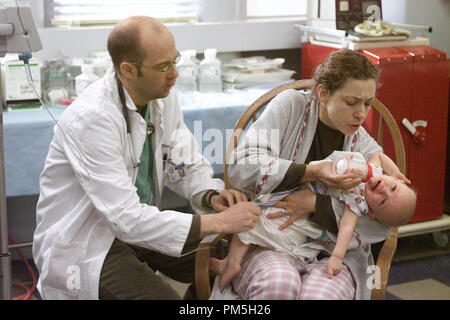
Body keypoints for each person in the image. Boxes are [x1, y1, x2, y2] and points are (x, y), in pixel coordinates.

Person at [32, 16, 262, 300]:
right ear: (128, 69)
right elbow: (124, 218)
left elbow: (183, 159)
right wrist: (221, 222)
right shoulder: (92, 119)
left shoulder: (161, 95)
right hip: (91, 241)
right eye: (163, 66)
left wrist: (210, 195)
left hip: (139, 229)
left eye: (175, 61)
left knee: (227, 258)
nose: (174, 74)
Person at [220, 49, 406, 300]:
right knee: (278, 287)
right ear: (323, 93)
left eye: (368, 103)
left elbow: (382, 224)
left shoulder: (365, 150)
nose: (361, 114)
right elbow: (242, 167)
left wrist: (316, 205)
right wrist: (309, 172)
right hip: (271, 242)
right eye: (351, 102)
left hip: (334, 256)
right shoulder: (290, 107)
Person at [211, 151, 416, 289]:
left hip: (298, 210)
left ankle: (232, 262)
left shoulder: (357, 202)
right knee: (254, 217)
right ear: (397, 180)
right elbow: (378, 155)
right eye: (393, 187)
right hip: (298, 190)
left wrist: (336, 257)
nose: (383, 190)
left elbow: (346, 228)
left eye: (382, 201)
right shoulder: (374, 171)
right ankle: (233, 261)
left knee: (253, 219)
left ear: (371, 213)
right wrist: (395, 170)